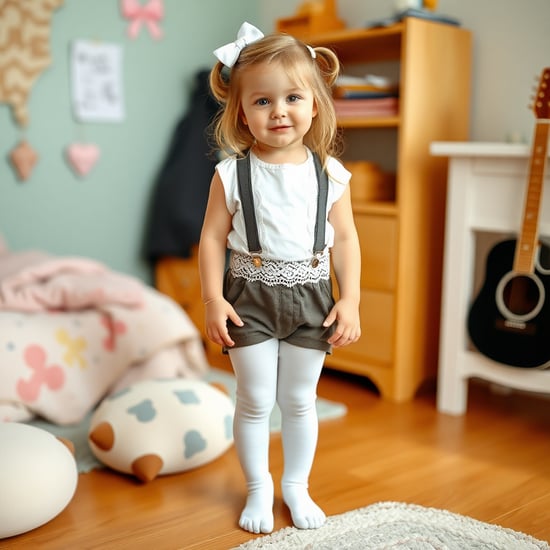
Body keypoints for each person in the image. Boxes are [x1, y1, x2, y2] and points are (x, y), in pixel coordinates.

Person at [199, 21, 361, 535]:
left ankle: (296, 485)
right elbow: (209, 240)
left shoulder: (331, 175)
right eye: (262, 101)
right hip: (249, 294)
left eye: (293, 96)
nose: (279, 111)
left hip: (314, 295)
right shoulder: (230, 174)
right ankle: (257, 488)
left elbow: (349, 240)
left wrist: (351, 298)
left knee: (298, 399)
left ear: (315, 103)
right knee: (253, 399)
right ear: (241, 112)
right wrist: (211, 299)